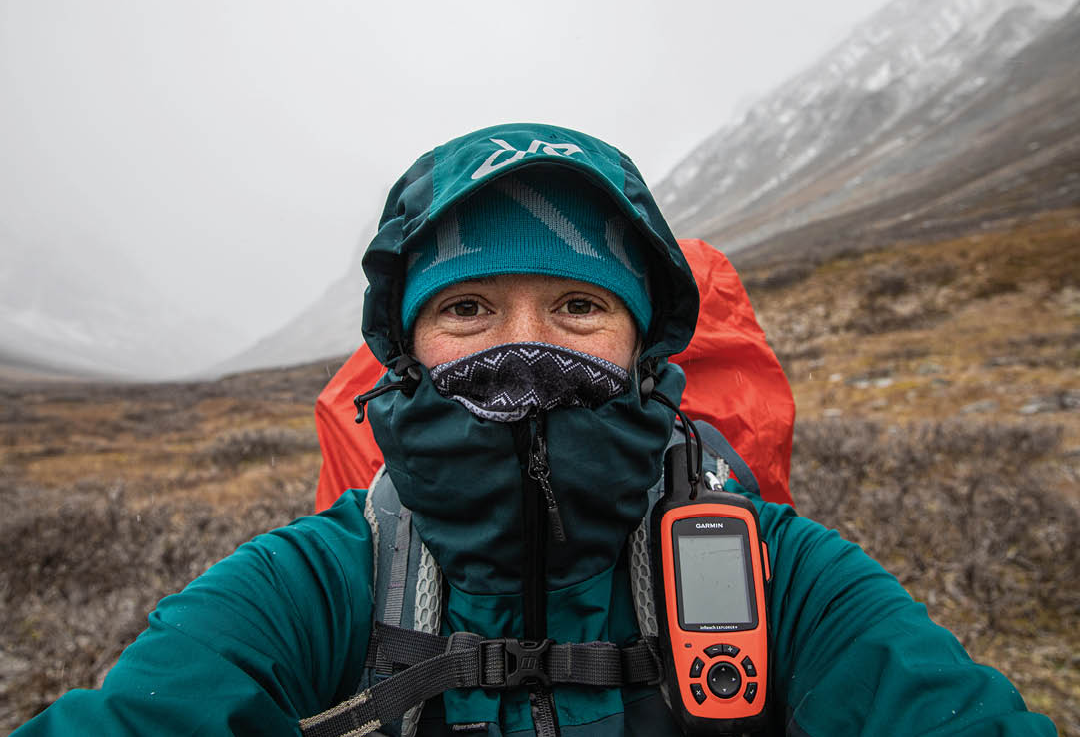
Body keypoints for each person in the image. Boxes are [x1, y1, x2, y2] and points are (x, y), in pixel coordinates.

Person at [14, 123, 1055, 736]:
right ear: (408, 349)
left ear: (643, 343)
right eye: (468, 309)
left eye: (577, 307)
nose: (523, 348)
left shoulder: (784, 573)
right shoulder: (326, 573)